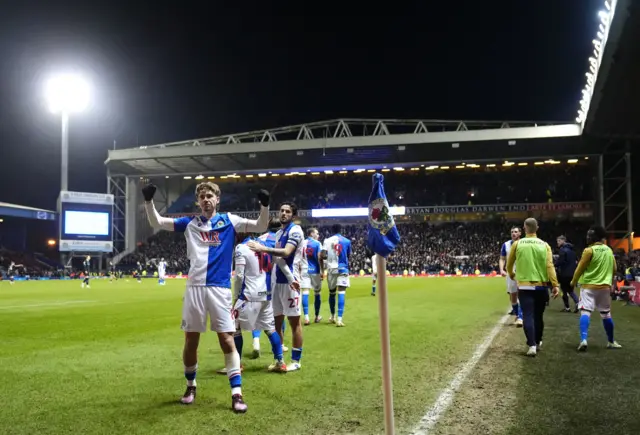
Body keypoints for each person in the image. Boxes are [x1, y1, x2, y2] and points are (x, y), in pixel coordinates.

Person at [142, 181, 270, 413]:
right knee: (191, 341)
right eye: (202, 197)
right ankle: (191, 386)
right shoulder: (189, 223)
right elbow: (157, 222)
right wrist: (149, 201)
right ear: (198, 202)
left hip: (219, 289)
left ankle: (237, 393)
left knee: (227, 340)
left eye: (210, 195)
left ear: (217, 199)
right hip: (195, 288)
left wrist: (264, 205)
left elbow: (261, 225)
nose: (206, 199)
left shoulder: (230, 220)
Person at [218, 233, 297, 374]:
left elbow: (239, 276)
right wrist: (291, 279)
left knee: (233, 327)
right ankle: (280, 362)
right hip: (266, 295)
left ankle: (236, 365)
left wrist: (235, 297)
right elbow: (281, 262)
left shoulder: (241, 248)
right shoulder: (264, 245)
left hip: (249, 295)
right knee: (270, 329)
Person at [248, 202, 304, 371]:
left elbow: (286, 253)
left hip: (290, 283)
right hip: (276, 282)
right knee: (276, 324)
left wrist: (262, 248)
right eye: (282, 210)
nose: (284, 213)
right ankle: (278, 360)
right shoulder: (280, 233)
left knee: (294, 322)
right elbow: (277, 260)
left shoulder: (295, 230)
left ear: (293, 215)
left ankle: (296, 361)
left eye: (287, 211)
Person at [506, 218, 559, 357]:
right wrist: (555, 284)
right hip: (541, 286)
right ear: (537, 228)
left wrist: (512, 275)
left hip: (524, 286)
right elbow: (549, 266)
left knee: (528, 315)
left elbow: (509, 264)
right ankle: (538, 340)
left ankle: (531, 345)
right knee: (538, 316)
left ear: (524, 228)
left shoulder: (517, 244)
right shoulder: (545, 245)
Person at [570, 225, 622, 351]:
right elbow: (614, 268)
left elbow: (580, 268)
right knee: (606, 314)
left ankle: (583, 340)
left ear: (596, 237)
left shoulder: (589, 250)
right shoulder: (609, 250)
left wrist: (573, 282)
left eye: (590, 235)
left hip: (589, 286)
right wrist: (610, 280)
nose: (587, 237)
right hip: (604, 287)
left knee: (585, 312)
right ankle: (611, 341)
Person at [321, 224, 352, 327]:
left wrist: (329, 257)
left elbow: (323, 255)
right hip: (343, 268)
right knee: (341, 292)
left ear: (331, 230)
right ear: (341, 230)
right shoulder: (347, 241)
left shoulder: (326, 241)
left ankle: (332, 316)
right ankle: (339, 319)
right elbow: (348, 255)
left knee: (332, 293)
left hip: (331, 269)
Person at [499, 227, 523, 327]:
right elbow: (502, 259)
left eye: (516, 232)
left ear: (520, 233)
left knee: (522, 295)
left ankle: (521, 317)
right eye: (512, 232)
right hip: (510, 274)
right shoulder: (506, 245)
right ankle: (517, 315)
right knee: (513, 296)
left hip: (523, 273)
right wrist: (501, 269)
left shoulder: (524, 243)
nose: (513, 233)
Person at [301, 227, 323, 325]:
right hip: (315, 270)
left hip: (304, 270)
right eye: (317, 233)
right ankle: (317, 316)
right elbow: (320, 257)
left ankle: (306, 318)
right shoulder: (317, 244)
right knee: (317, 293)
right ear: (311, 234)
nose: (318, 235)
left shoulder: (302, 243)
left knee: (305, 292)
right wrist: (322, 270)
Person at [555, 235, 579, 312]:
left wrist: (554, 264)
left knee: (564, 290)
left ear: (563, 241)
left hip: (564, 273)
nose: (557, 243)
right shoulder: (572, 250)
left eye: (558, 241)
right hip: (572, 273)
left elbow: (561, 261)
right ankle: (577, 302)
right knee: (571, 290)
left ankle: (567, 307)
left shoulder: (562, 250)